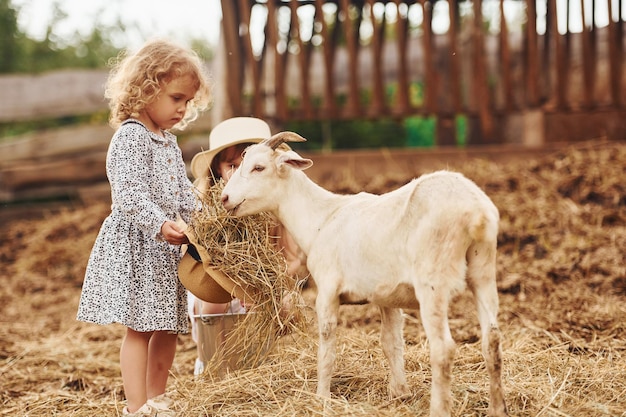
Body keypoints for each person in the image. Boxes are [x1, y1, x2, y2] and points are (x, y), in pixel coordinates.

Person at [76, 39, 211, 416]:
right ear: (147, 88)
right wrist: (159, 224)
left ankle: (158, 398)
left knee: (167, 326)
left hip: (167, 249)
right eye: (176, 98)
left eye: (188, 102)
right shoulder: (131, 137)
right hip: (139, 244)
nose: (182, 109)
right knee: (139, 327)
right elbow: (128, 193)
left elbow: (182, 191)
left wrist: (205, 220)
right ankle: (136, 407)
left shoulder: (168, 142)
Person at [187, 117, 306, 376]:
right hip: (215, 287)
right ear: (217, 169)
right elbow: (199, 263)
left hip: (261, 288)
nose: (240, 174)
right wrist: (237, 287)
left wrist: (266, 287)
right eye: (232, 165)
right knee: (213, 305)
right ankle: (212, 366)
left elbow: (293, 259)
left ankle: (259, 364)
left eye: (251, 167)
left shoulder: (274, 207)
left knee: (288, 304)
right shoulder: (207, 210)